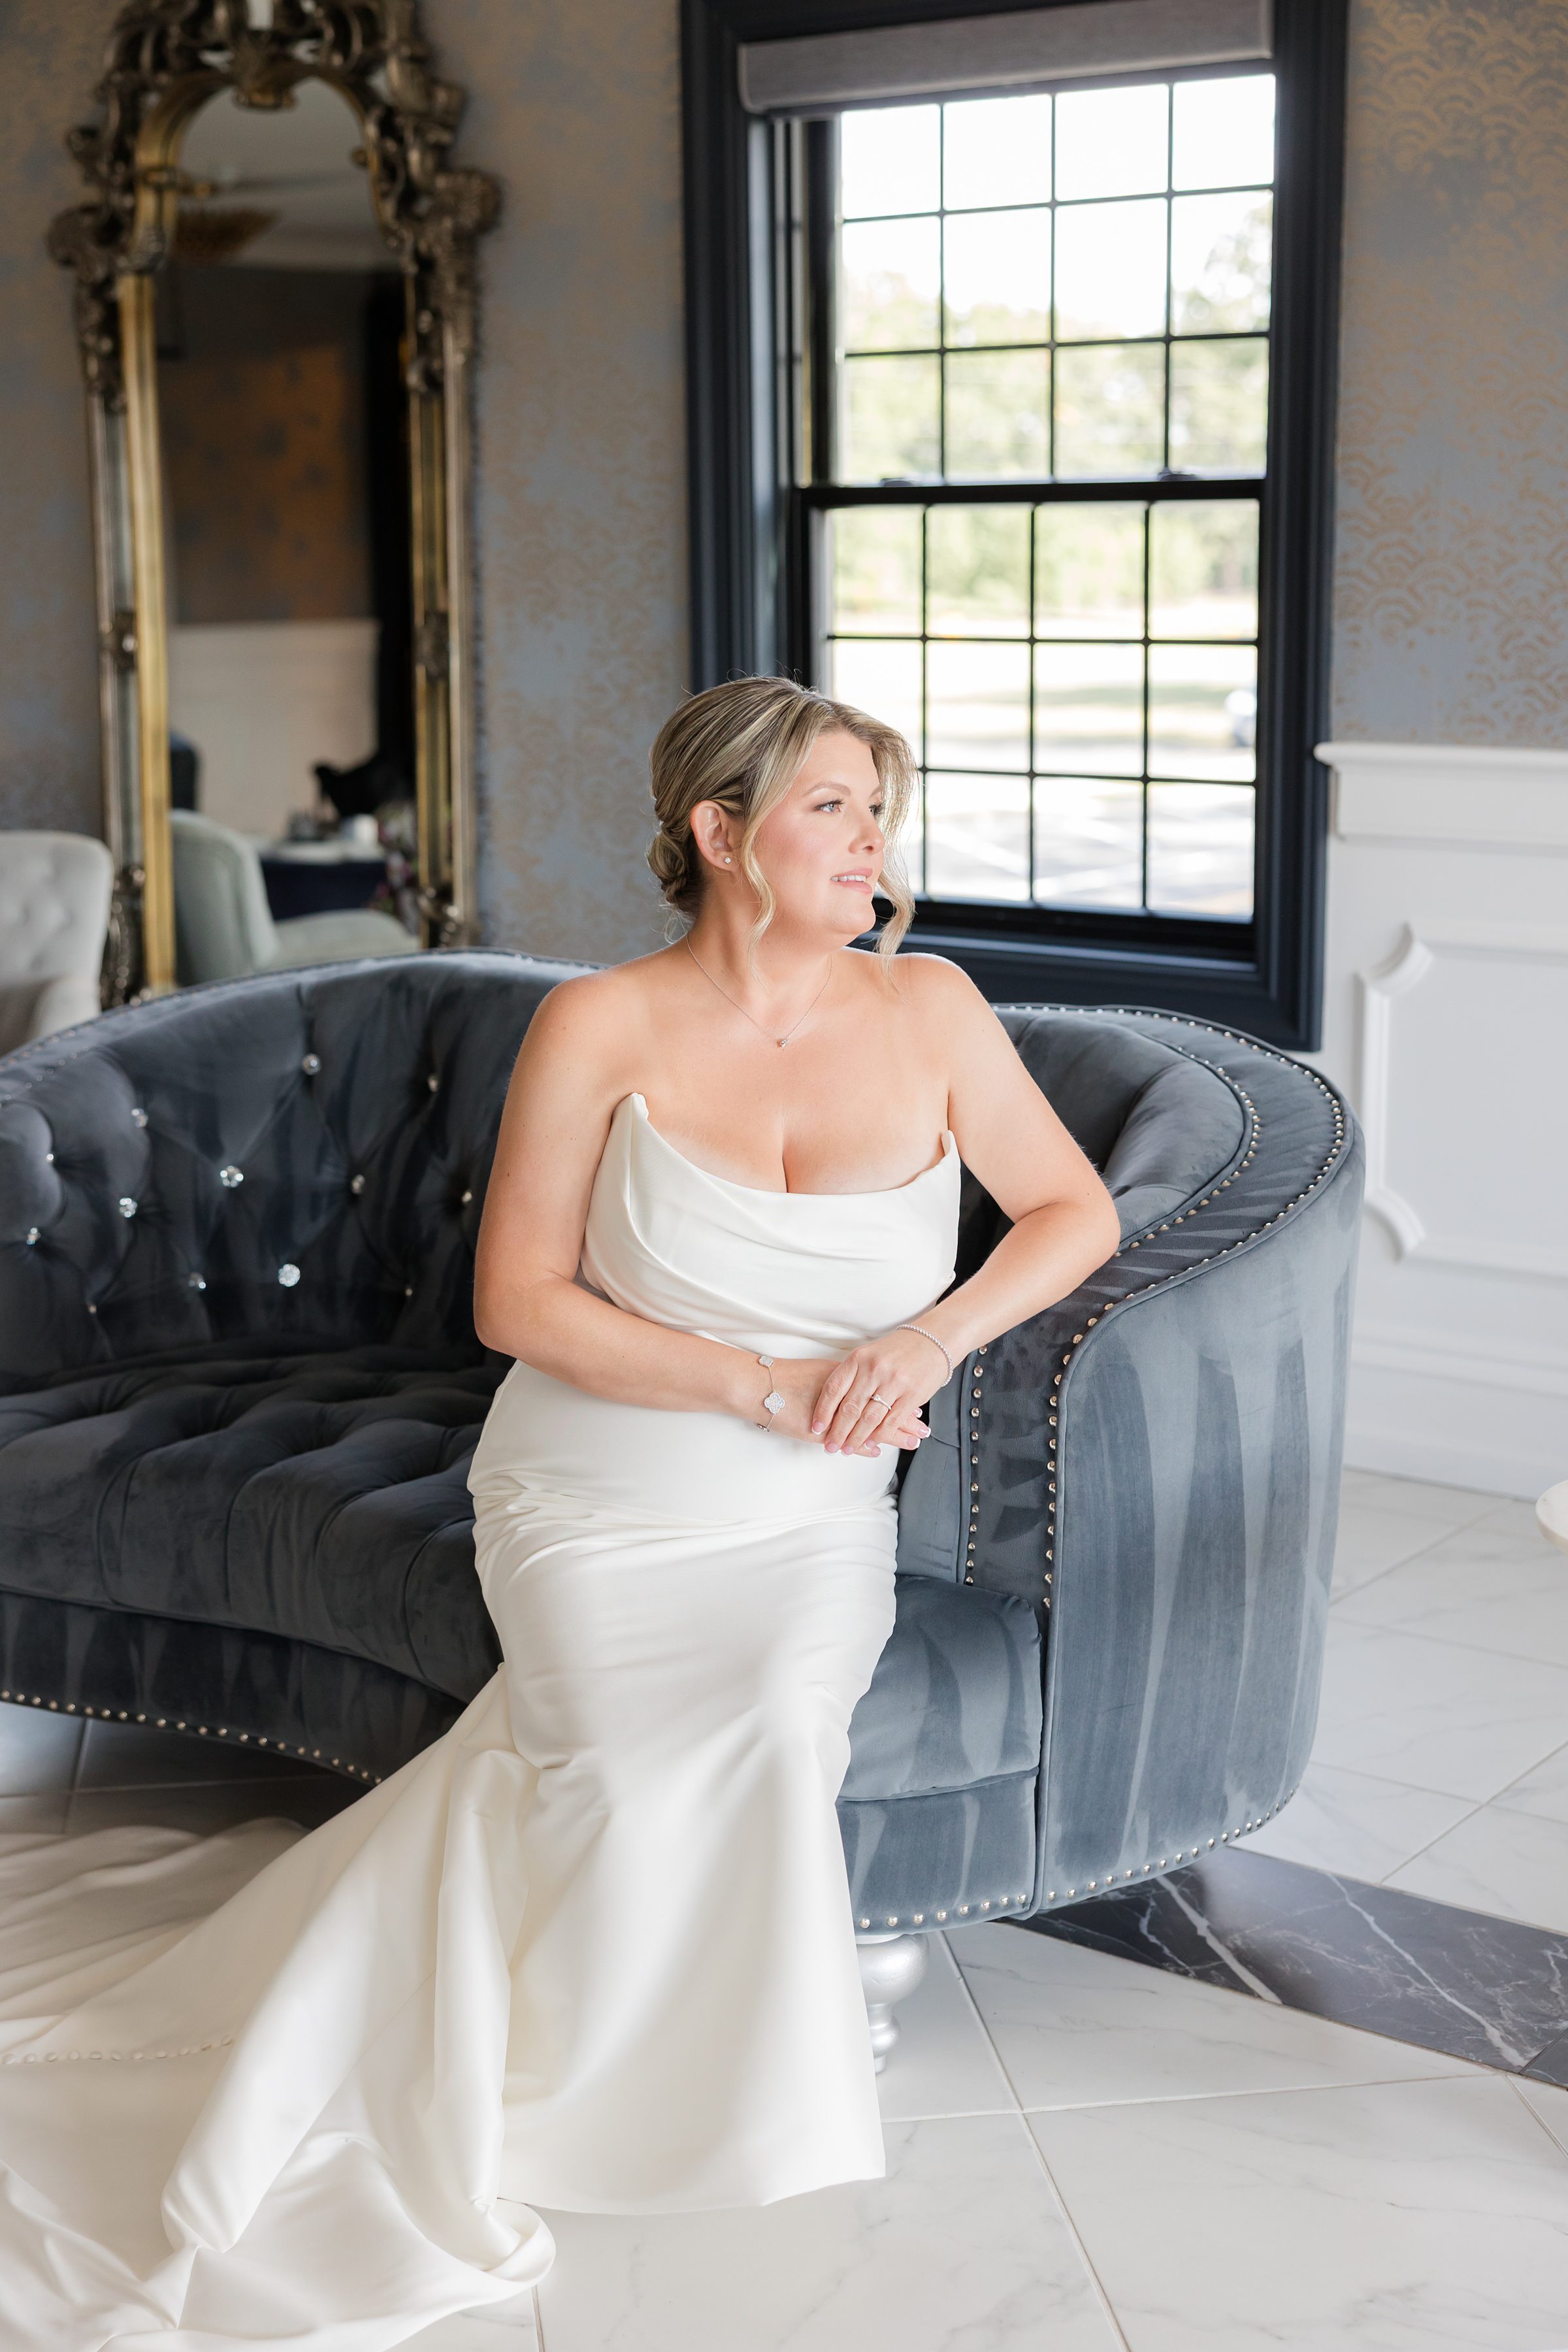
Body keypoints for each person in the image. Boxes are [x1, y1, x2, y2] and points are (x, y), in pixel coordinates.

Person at [0, 676, 1119, 2349]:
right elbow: (519, 1302)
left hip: (807, 1509)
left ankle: (698, 2096)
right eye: (832, 806)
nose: (872, 841)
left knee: (765, 1723)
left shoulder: (934, 1008)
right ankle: (553, 2084)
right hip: (598, 1486)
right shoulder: (601, 1023)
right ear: (720, 832)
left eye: (879, 807)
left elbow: (1071, 1212)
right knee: (610, 1744)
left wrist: (928, 1341)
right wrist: (761, 1385)